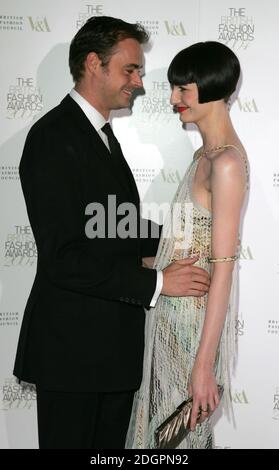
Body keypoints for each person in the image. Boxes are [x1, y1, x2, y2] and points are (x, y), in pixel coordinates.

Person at [13, 17, 210, 449]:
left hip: (113, 357)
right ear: (93, 64)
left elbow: (118, 227)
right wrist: (160, 281)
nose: (138, 82)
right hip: (72, 357)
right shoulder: (52, 137)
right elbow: (64, 256)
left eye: (139, 71)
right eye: (130, 70)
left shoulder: (102, 136)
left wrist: (188, 242)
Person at [126, 41, 249, 449]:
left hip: (192, 329)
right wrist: (147, 267)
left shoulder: (226, 163)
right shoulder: (203, 156)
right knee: (161, 438)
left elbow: (225, 268)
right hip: (169, 318)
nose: (173, 98)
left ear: (213, 86)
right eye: (174, 88)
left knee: (177, 440)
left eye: (184, 88)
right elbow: (184, 241)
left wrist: (203, 366)